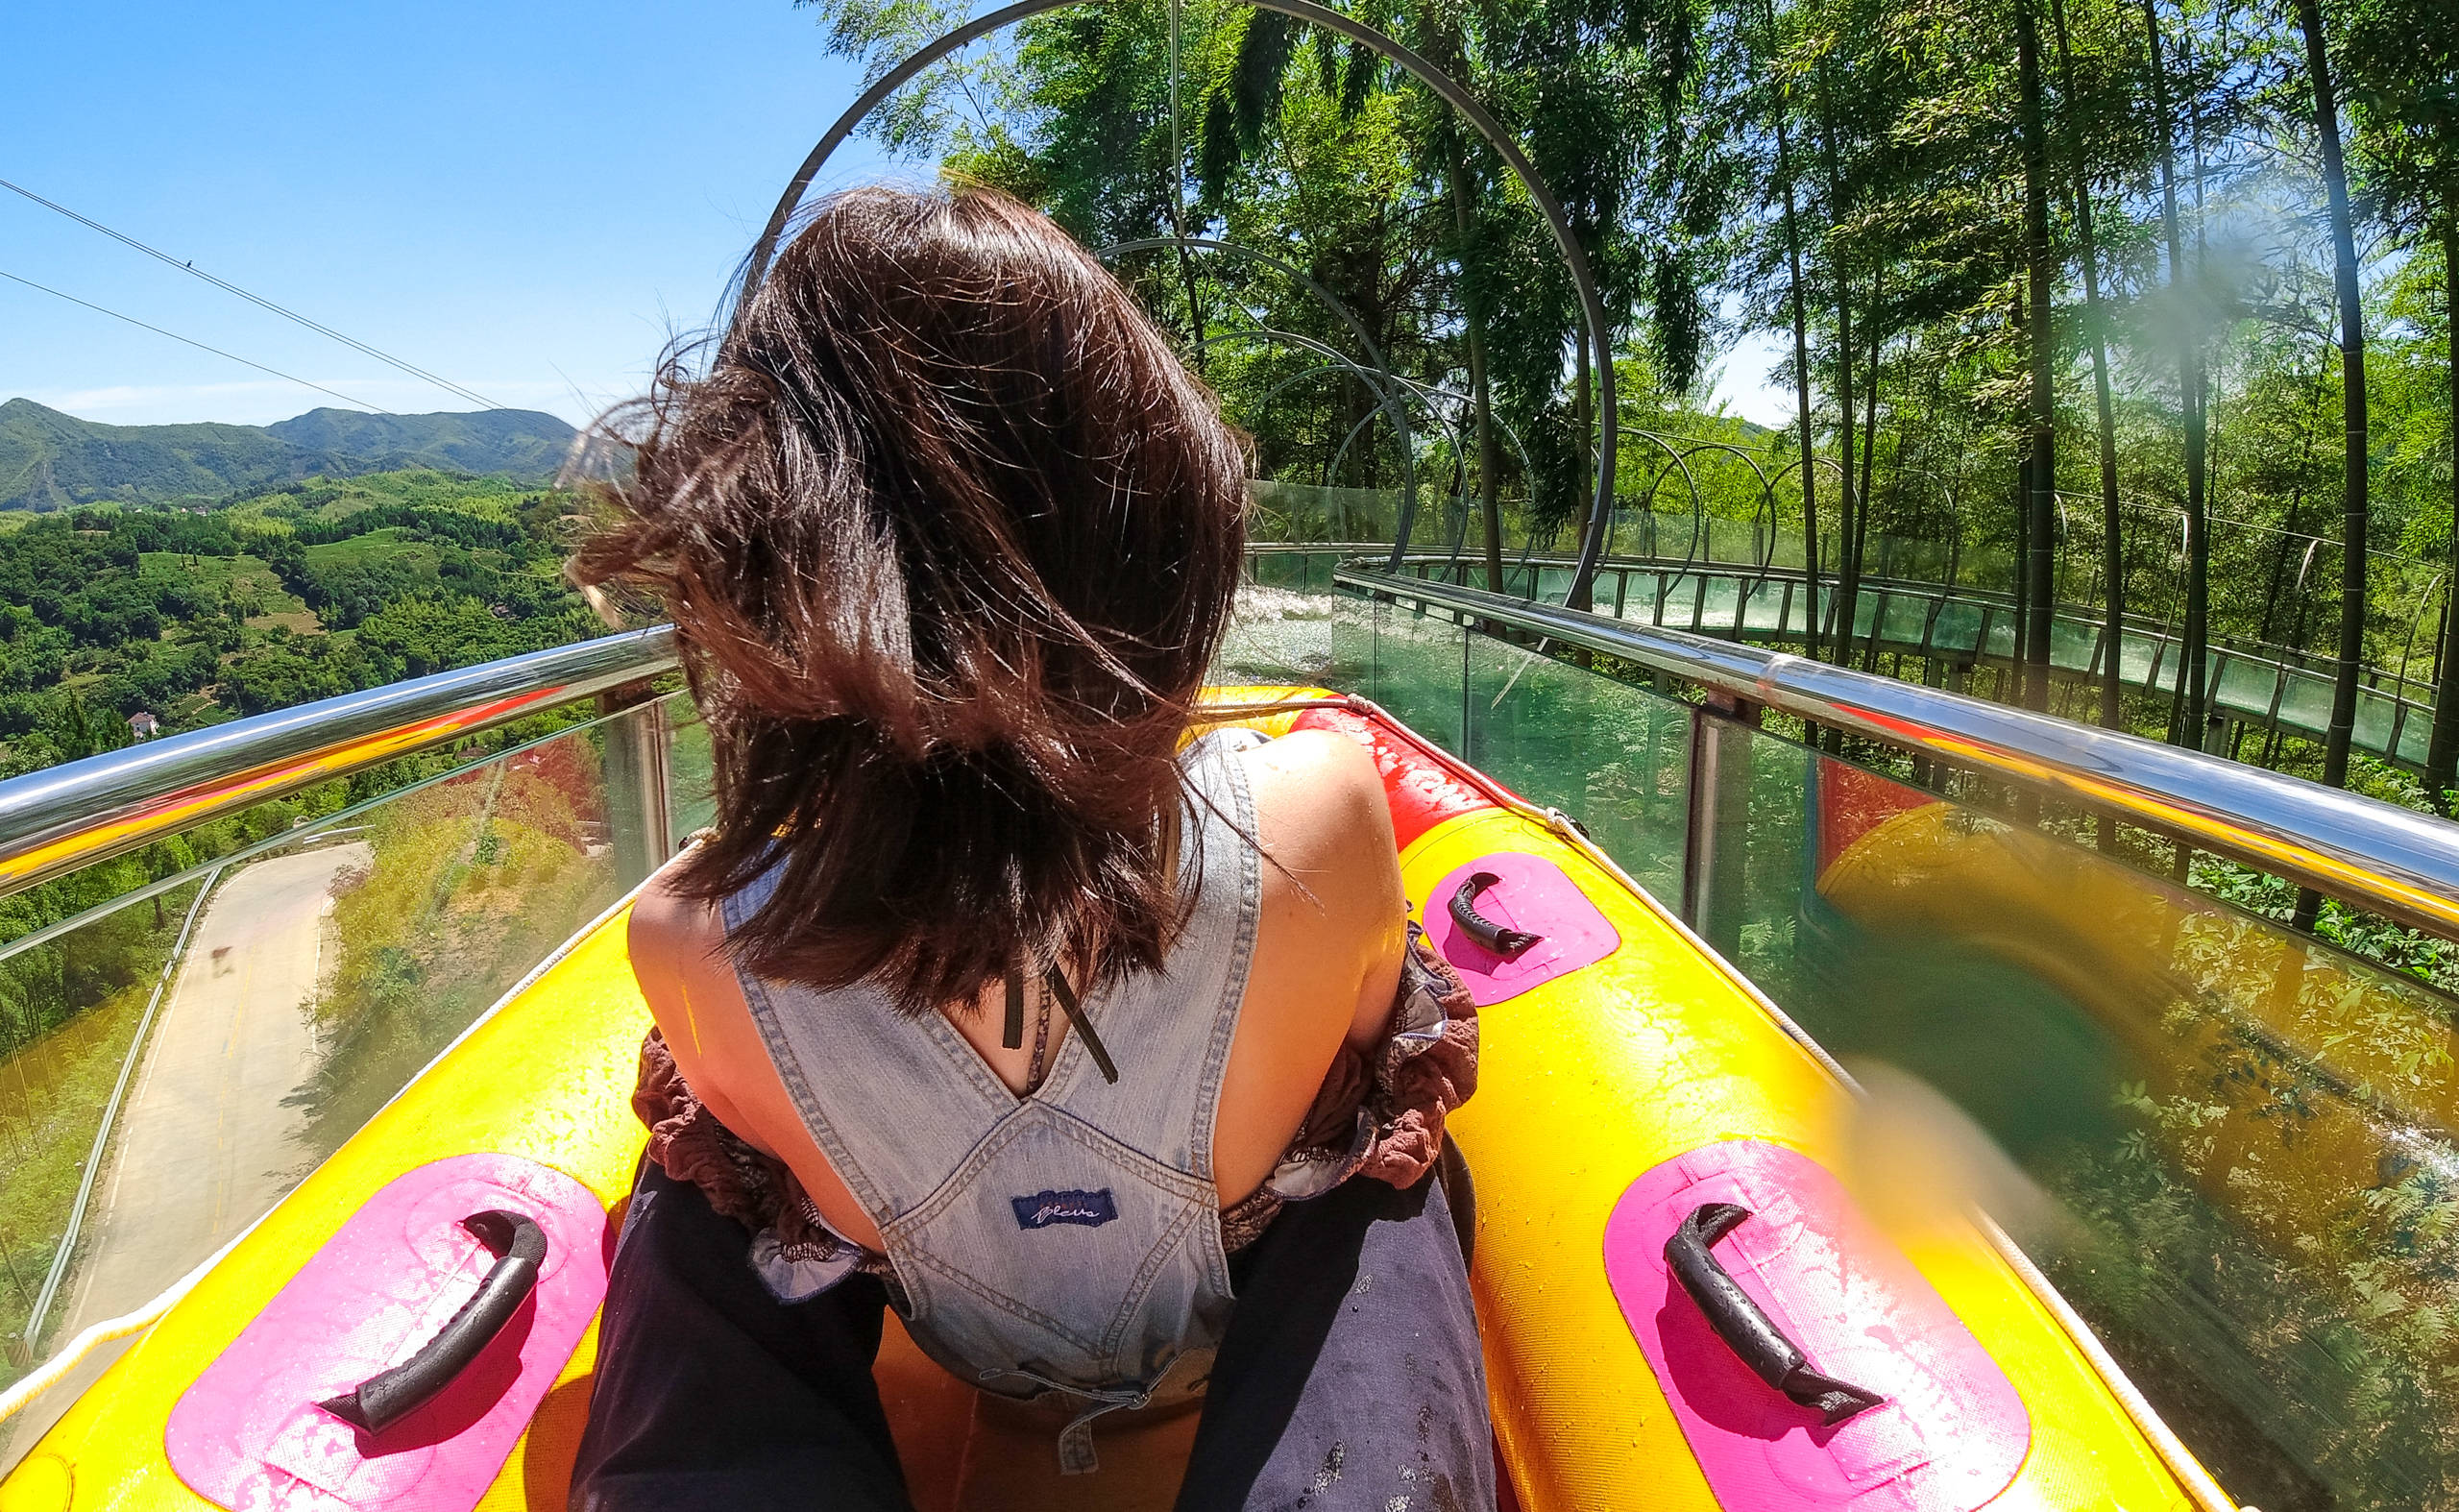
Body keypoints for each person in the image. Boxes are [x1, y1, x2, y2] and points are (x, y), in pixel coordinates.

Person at [566, 184, 1490, 1512]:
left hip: (942, 1312)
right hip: (1229, 1312)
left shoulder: (683, 943)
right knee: (1383, 1159)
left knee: (698, 1194)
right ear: (1155, 537)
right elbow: (1349, 1055)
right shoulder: (1322, 816)